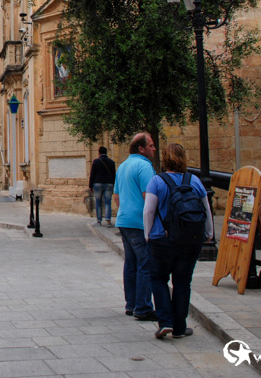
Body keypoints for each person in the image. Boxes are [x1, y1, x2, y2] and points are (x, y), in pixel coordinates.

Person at [144, 143, 213, 339]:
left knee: (158, 278)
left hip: (161, 239)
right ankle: (180, 327)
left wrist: (148, 234)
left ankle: (165, 322)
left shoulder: (157, 181)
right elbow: (206, 209)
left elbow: (149, 210)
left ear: (165, 159)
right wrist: (208, 233)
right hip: (190, 239)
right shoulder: (195, 181)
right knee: (182, 282)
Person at [113, 132, 157, 321]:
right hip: (139, 222)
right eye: (151, 145)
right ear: (141, 148)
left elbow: (116, 196)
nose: (154, 148)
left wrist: (126, 210)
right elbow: (150, 196)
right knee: (145, 264)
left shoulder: (122, 166)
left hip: (124, 220)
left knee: (131, 263)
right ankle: (143, 307)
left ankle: (131, 304)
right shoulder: (144, 166)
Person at [89, 146, 116, 226]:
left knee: (98, 202)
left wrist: (90, 185)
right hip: (108, 184)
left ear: (99, 153)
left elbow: (92, 174)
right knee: (108, 202)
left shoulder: (96, 161)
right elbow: (113, 175)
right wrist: (113, 185)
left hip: (97, 183)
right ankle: (108, 221)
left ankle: (99, 220)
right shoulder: (111, 162)